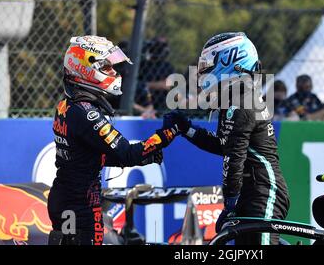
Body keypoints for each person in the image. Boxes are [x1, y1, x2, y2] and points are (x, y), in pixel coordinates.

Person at [47, 36, 179, 245]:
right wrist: (169, 132)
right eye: (107, 68)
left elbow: (87, 156)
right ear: (85, 69)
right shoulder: (86, 114)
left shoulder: (66, 105)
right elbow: (127, 152)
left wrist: (144, 158)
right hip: (82, 204)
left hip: (65, 198)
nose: (115, 73)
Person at [163, 32, 290, 245]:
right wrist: (186, 128)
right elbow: (225, 145)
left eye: (207, 65)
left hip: (263, 192)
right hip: (252, 193)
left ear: (231, 61)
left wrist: (230, 203)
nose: (202, 72)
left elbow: (234, 157)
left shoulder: (242, 102)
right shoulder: (236, 99)